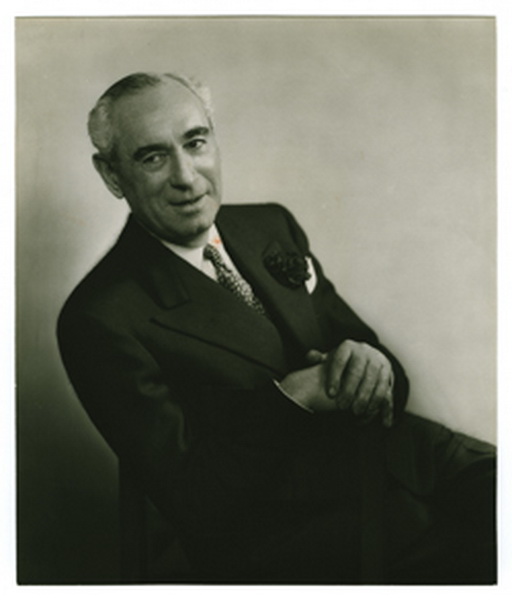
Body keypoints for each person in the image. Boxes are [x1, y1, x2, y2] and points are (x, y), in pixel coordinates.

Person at [57, 71, 496, 584]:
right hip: (293, 528)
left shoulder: (269, 226)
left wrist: (373, 365)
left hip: (407, 458)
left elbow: (371, 357)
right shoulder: (100, 317)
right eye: (153, 157)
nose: (186, 176)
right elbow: (195, 500)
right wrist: (293, 399)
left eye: (196, 143)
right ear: (112, 176)